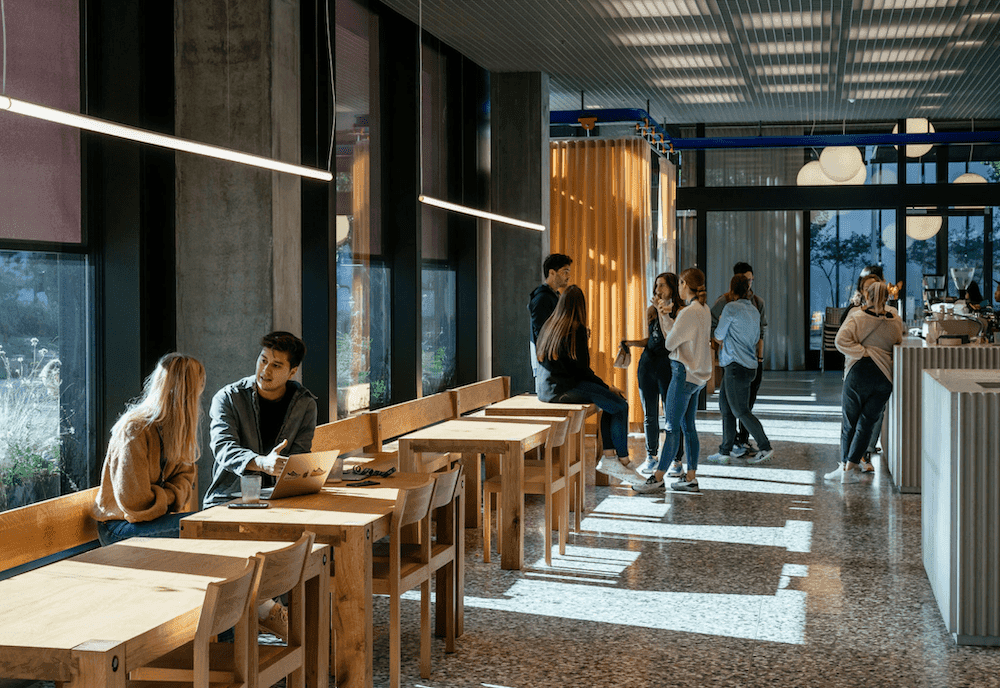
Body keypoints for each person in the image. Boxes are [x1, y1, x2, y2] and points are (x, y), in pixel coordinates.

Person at [92, 353, 205, 545]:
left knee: (207, 525)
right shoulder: (134, 429)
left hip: (153, 521)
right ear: (191, 391)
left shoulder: (177, 431)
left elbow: (186, 481)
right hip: (119, 528)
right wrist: (170, 495)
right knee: (203, 529)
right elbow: (136, 504)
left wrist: (161, 496)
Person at [204, 331, 318, 508]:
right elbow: (223, 447)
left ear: (292, 372)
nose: (266, 370)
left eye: (276, 365)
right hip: (230, 500)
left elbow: (299, 455)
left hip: (282, 498)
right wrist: (262, 463)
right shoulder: (228, 398)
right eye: (263, 360)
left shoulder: (305, 404)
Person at [536, 284, 632, 481]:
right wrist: (607, 387)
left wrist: (604, 388)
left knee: (611, 404)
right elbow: (583, 371)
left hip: (547, 390)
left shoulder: (549, 325)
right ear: (581, 307)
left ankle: (610, 457)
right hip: (565, 389)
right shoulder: (575, 329)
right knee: (620, 405)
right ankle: (623, 461)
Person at [633, 267, 712, 494]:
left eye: (679, 284)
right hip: (697, 377)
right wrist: (662, 313)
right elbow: (673, 335)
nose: (678, 288)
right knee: (689, 428)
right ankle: (691, 478)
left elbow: (669, 344)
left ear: (685, 285)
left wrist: (663, 315)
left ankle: (657, 478)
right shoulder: (703, 309)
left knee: (671, 428)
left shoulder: (688, 312)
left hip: (683, 374)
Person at [825, 280, 904, 484]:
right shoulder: (895, 319)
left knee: (849, 422)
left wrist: (863, 352)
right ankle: (849, 469)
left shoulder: (857, 317)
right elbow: (898, 341)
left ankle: (843, 468)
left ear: (866, 296)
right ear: (887, 297)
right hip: (884, 376)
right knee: (866, 425)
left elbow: (840, 340)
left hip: (859, 373)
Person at [706, 274, 775, 465]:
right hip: (748, 365)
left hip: (734, 365)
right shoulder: (753, 310)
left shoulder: (730, 308)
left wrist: (722, 323)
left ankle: (765, 446)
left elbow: (718, 336)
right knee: (726, 409)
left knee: (741, 411)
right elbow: (755, 338)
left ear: (731, 290)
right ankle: (725, 451)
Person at [621, 272, 684, 474]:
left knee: (671, 415)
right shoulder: (651, 310)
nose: (658, 290)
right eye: (657, 285)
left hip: (669, 366)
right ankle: (651, 456)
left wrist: (663, 312)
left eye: (663, 285)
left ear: (673, 288)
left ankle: (677, 460)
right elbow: (652, 339)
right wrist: (631, 343)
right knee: (649, 415)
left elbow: (672, 340)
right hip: (647, 365)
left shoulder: (680, 311)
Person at [838, 266, 891, 472]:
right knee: (853, 419)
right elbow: (842, 340)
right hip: (855, 369)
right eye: (868, 288)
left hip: (874, 372)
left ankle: (861, 456)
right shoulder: (854, 312)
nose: (872, 292)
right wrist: (864, 352)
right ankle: (850, 460)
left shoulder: (888, 314)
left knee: (868, 419)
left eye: (875, 287)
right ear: (861, 291)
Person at [528, 254, 573, 394]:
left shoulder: (555, 296)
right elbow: (542, 334)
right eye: (565, 272)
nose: (568, 276)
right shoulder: (542, 298)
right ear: (552, 272)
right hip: (547, 366)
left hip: (556, 364)